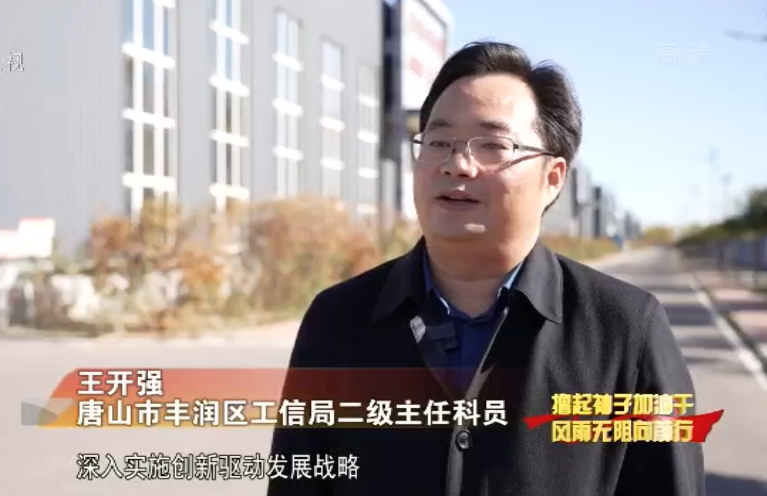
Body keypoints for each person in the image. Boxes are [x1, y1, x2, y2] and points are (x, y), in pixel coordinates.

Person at [266, 41, 703, 496]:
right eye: (438, 142)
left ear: (553, 178)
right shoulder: (339, 318)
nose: (457, 164)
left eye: (493, 145)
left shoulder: (626, 330)